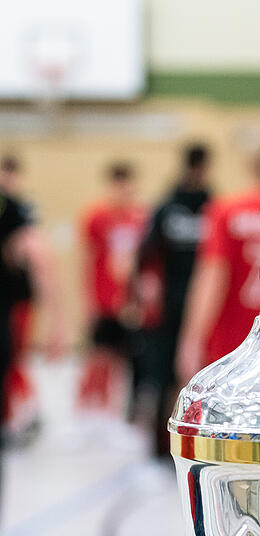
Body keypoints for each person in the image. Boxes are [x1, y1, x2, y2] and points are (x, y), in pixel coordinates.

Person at [176, 136, 260, 384]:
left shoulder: (225, 210)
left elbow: (212, 277)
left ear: (249, 164)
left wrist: (192, 338)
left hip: (232, 343)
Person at [136, 142, 212, 456]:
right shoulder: (167, 205)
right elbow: (146, 254)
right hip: (167, 305)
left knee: (197, 374)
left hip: (200, 301)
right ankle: (159, 442)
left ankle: (196, 437)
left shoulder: (212, 205)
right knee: (163, 374)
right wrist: (143, 294)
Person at [77, 162, 147, 414]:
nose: (123, 191)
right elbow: (89, 261)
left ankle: (113, 412)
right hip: (104, 301)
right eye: (118, 186)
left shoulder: (141, 218)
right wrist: (89, 303)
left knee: (124, 361)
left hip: (128, 304)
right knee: (98, 358)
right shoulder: (97, 217)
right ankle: (86, 408)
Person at [0, 155, 40, 442]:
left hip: (17, 300)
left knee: (13, 356)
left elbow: (34, 253)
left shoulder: (20, 210)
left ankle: (26, 410)